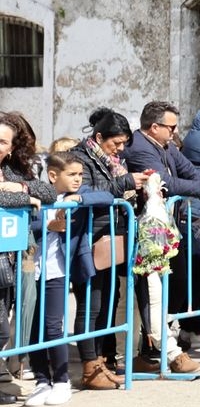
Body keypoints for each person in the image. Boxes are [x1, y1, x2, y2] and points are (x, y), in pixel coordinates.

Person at [122, 102, 200, 375]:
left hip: (166, 228)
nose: (175, 132)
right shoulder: (140, 148)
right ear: (154, 127)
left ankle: (150, 351)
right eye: (171, 127)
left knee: (164, 290)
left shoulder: (167, 145)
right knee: (150, 293)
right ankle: (164, 351)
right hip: (146, 231)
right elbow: (167, 183)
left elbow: (188, 171)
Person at [26, 154, 113, 407]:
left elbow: (106, 197)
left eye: (79, 174)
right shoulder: (40, 194)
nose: (77, 179)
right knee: (33, 327)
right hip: (32, 269)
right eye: (71, 175)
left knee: (53, 326)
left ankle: (62, 381)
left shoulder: (79, 193)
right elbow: (30, 222)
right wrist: (49, 225)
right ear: (53, 176)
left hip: (58, 270)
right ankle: (42, 380)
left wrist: (79, 198)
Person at [68, 108, 142, 389]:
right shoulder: (79, 158)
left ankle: (99, 360)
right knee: (90, 303)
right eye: (116, 144)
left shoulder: (111, 160)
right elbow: (83, 194)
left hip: (109, 237)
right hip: (87, 237)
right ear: (99, 137)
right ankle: (88, 366)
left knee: (107, 302)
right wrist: (125, 183)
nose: (121, 149)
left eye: (123, 144)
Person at [0, 113, 56, 398]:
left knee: (24, 297)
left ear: (11, 147)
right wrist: (24, 198)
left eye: (3, 142)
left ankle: (13, 361)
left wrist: (20, 187)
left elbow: (48, 192)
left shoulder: (12, 169)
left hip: (19, 249)